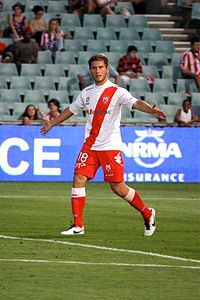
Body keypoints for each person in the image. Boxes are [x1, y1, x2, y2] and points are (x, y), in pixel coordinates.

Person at [40, 54, 166, 237]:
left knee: (118, 187)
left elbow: (135, 102)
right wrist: (52, 123)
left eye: (100, 67)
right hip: (90, 145)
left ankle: (147, 213)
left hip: (110, 146)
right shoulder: (87, 92)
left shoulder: (117, 91)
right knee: (78, 178)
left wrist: (151, 110)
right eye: (94, 68)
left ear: (107, 69)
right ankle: (78, 225)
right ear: (90, 69)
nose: (97, 71)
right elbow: (71, 110)